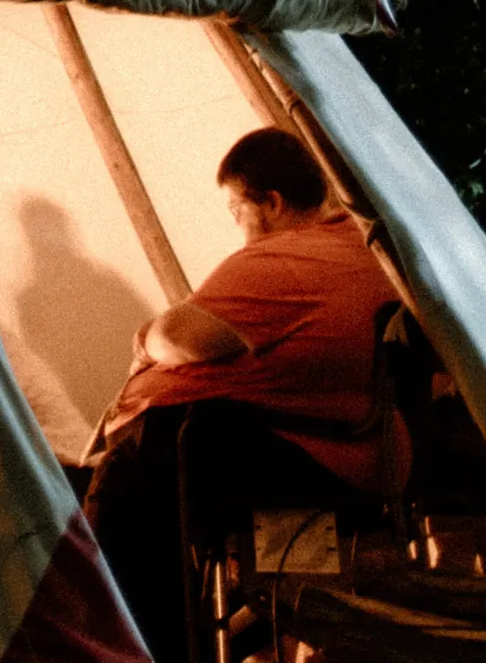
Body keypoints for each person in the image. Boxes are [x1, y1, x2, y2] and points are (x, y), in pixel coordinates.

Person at [82, 127, 401, 662]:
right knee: (136, 472)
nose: (237, 226)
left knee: (130, 483)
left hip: (298, 453)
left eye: (236, 210)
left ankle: (140, 650)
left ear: (271, 203)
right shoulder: (351, 245)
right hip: (315, 443)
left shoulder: (288, 261)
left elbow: (179, 337)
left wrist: (143, 338)